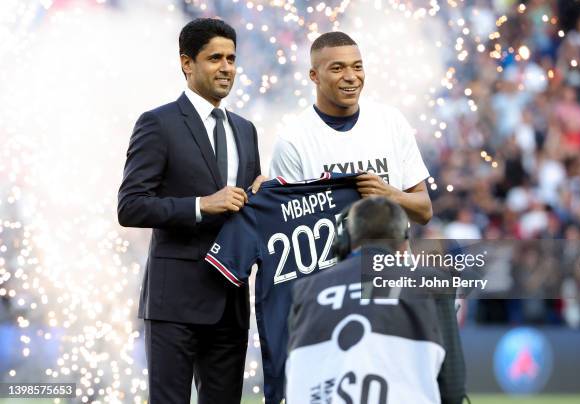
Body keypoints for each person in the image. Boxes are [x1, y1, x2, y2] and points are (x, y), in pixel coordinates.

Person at [117, 18, 264, 404]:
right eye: (215, 57)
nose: (226, 67)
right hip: (174, 304)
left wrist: (262, 197)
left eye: (231, 58)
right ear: (187, 63)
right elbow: (130, 206)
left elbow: (244, 208)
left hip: (230, 301)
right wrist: (201, 205)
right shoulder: (158, 123)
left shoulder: (246, 130)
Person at [286, 197, 467, 404]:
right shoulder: (433, 283)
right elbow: (452, 390)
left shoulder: (306, 289)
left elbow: (295, 377)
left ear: (346, 241)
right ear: (404, 242)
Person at [269, 31, 432, 225]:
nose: (351, 76)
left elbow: (425, 211)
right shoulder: (292, 140)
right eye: (337, 68)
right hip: (338, 255)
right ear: (314, 76)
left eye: (357, 67)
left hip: (393, 256)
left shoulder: (391, 121)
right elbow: (285, 224)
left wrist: (391, 194)